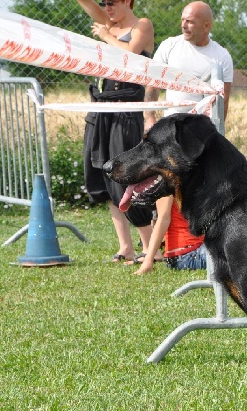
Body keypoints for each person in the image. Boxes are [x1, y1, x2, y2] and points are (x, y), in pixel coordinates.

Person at [76, 0, 161, 263]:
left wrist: (103, 35)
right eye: (104, 3)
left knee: (125, 174)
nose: (107, 7)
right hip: (104, 108)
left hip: (128, 110)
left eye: (111, 2)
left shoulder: (142, 25)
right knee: (103, 172)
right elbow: (88, 6)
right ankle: (126, 247)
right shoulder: (110, 23)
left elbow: (129, 56)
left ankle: (151, 248)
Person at [144, 2, 234, 131]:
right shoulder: (169, 46)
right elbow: (152, 85)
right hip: (171, 127)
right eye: (183, 20)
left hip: (202, 131)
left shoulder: (222, 57)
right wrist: (149, 119)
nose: (183, 26)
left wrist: (216, 134)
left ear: (206, 27)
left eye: (190, 22)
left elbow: (223, 102)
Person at [133, 195, 206, 275]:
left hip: (197, 250)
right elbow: (162, 220)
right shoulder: (167, 185)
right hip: (185, 256)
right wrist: (148, 260)